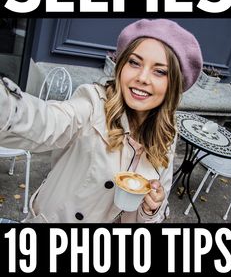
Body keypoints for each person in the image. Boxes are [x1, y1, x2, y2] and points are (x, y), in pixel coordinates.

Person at [0, 19, 203, 223]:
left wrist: (152, 210)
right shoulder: (93, 104)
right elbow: (46, 121)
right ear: (121, 66)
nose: (142, 77)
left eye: (160, 71)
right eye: (134, 62)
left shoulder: (167, 133)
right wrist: (6, 105)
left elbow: (159, 202)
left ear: (173, 85)